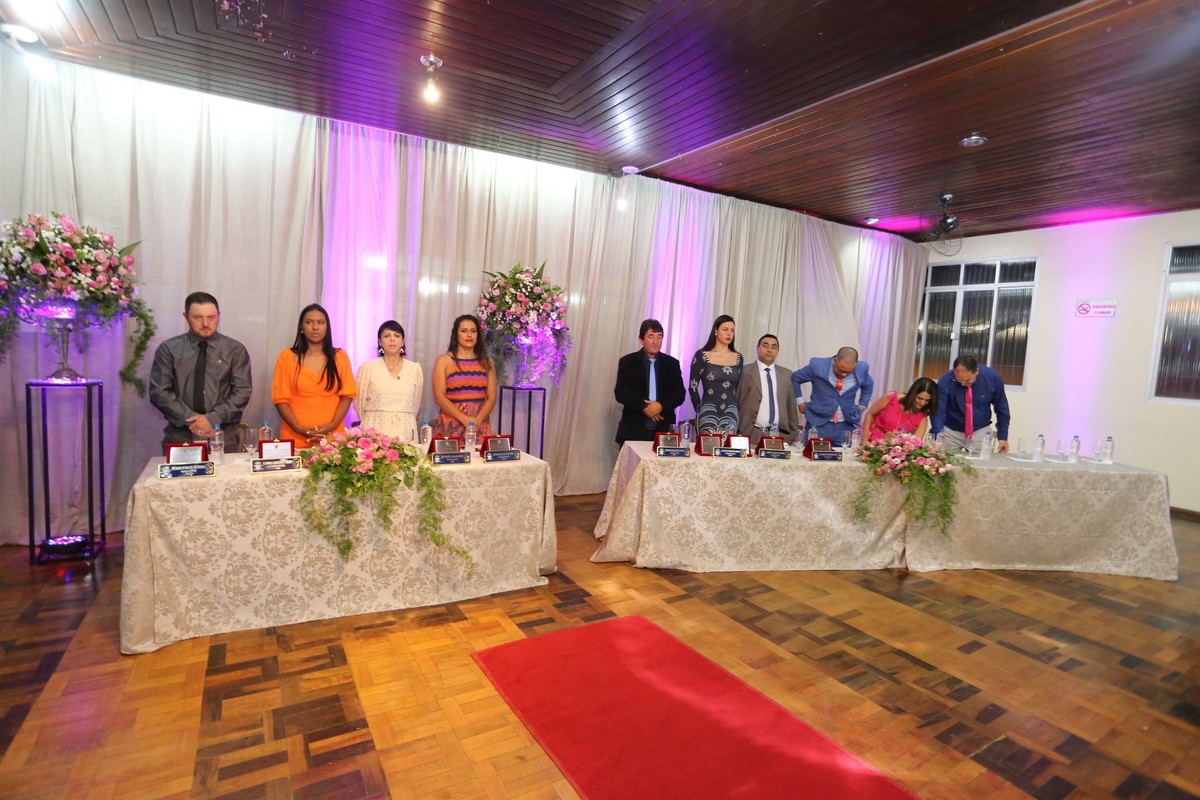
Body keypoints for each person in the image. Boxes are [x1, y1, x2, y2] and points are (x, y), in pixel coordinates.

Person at [149, 291, 252, 449]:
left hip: (223, 435)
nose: (205, 323)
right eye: (198, 317)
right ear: (185, 316)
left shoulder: (235, 350)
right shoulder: (169, 349)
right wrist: (193, 420)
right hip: (181, 435)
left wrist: (212, 419)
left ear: (219, 316)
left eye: (211, 317)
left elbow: (242, 391)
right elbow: (159, 392)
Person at [271, 303, 357, 448]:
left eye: (320, 322)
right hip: (295, 435)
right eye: (309, 322)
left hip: (332, 437)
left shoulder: (340, 356)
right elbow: (280, 399)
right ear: (301, 326)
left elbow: (347, 395)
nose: (315, 327)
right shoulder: (286, 356)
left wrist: (331, 426)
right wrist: (299, 428)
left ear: (327, 327)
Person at [613, 319, 686, 445]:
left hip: (664, 429)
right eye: (651, 336)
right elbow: (620, 392)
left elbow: (679, 393)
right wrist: (646, 407)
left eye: (659, 337)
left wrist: (661, 406)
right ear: (641, 340)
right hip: (633, 429)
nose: (656, 341)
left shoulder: (672, 364)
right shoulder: (628, 362)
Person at [354, 320, 423, 442]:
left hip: (405, 429)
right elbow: (359, 403)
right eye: (387, 336)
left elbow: (415, 404)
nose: (392, 339)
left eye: (397, 335)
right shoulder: (368, 368)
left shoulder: (415, 369)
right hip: (375, 428)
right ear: (380, 342)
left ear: (403, 342)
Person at [791, 346, 874, 444]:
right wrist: (800, 402)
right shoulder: (818, 366)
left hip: (846, 425)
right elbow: (795, 378)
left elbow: (868, 384)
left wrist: (863, 405)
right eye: (840, 370)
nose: (843, 374)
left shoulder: (862, 369)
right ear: (835, 360)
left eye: (848, 372)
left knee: (846, 453)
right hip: (818, 422)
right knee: (812, 452)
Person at [432, 314, 497, 439]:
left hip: (479, 425)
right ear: (456, 335)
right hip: (451, 425)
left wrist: (475, 423)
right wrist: (465, 419)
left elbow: (492, 398)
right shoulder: (444, 360)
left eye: (473, 331)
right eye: (464, 331)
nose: (469, 335)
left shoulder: (487, 362)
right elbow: (439, 397)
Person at [931, 354, 1011, 453]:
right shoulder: (946, 381)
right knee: (946, 460)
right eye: (958, 380)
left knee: (982, 462)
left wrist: (1003, 437)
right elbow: (938, 411)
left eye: (966, 380)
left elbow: (1002, 408)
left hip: (980, 430)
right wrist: (938, 435)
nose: (962, 383)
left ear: (976, 371)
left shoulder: (992, 378)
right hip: (951, 431)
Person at [735, 333, 801, 443]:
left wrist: (793, 435)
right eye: (765, 345)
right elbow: (736, 401)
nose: (769, 350)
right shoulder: (744, 372)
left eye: (774, 347)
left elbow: (791, 408)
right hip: (751, 433)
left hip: (780, 434)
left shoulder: (786, 375)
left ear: (778, 351)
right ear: (757, 348)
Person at [689, 315, 742, 433]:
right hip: (708, 409)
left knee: (728, 445)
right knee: (707, 444)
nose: (729, 333)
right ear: (716, 331)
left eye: (732, 330)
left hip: (731, 410)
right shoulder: (702, 355)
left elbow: (738, 388)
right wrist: (699, 410)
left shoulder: (738, 358)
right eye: (725, 329)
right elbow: (693, 388)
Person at [861, 377, 939, 442]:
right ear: (912, 394)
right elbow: (870, 414)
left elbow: (915, 444)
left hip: (893, 450)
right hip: (869, 439)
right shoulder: (892, 398)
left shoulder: (922, 418)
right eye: (919, 398)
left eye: (927, 400)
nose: (922, 403)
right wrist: (864, 439)